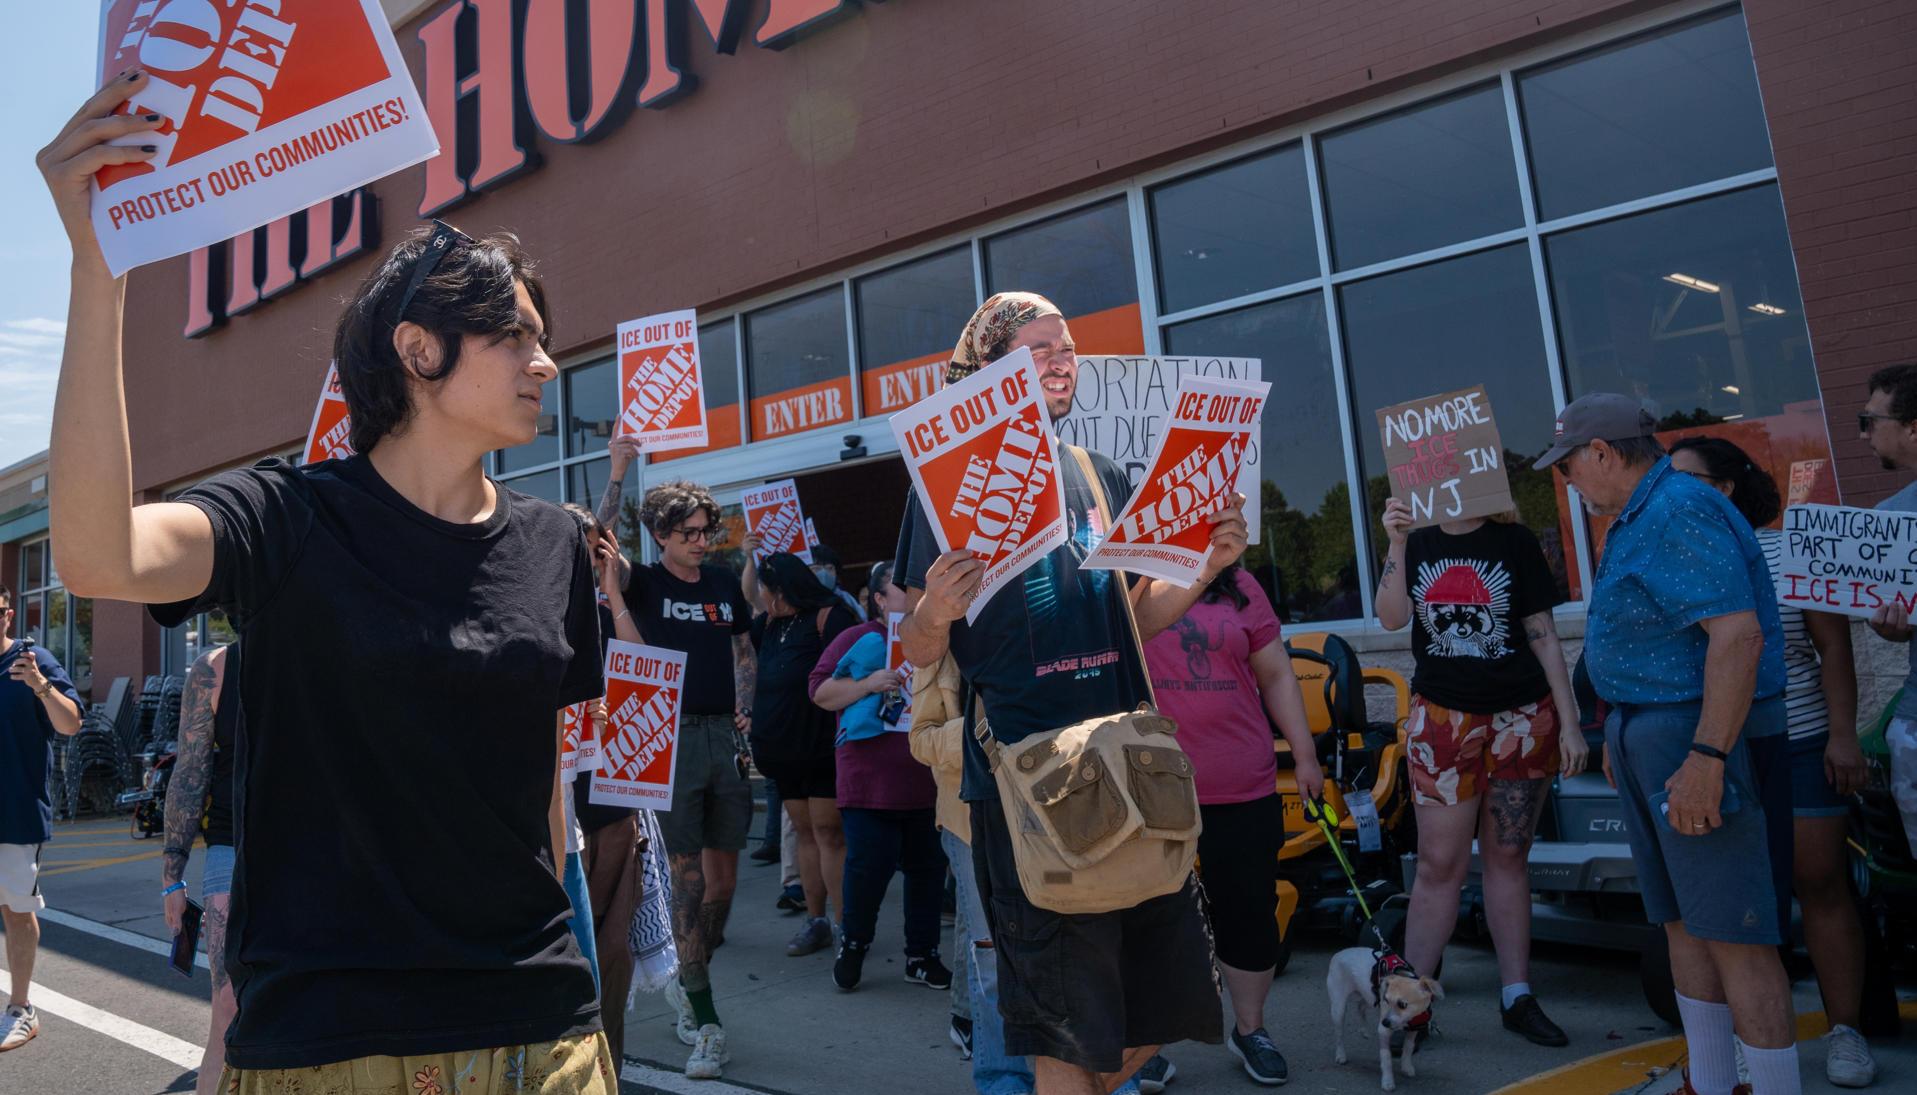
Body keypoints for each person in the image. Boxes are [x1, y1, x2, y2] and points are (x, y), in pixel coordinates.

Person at [40, 78, 614, 1091]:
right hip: (326, 1045)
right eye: (516, 336)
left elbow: (547, 795)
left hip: (540, 1033)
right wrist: (101, 269)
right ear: (419, 349)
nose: (547, 364)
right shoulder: (287, 519)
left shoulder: (556, 545)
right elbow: (96, 554)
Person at [897, 292, 1245, 1095]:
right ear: (990, 371)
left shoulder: (1099, 472)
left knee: (1161, 1005)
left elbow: (1134, 618)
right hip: (1025, 783)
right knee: (1057, 1021)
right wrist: (937, 608)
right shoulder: (947, 487)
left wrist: (1203, 567)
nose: (1062, 359)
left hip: (1124, 766)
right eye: (1039, 347)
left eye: (1068, 346)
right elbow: (918, 649)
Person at [1540, 393, 1799, 1095]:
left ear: (1600, 453)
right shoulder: (1642, 512)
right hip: (1649, 729)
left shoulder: (1676, 506)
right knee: (1683, 924)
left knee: (1735, 934)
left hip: (1692, 733)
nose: (1567, 484)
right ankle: (1712, 1083)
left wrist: (1706, 758)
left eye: (1566, 468)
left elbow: (1736, 635)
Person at [1669, 437, 1877, 1087]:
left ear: (1723, 488)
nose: (1668, 492)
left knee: (1820, 882)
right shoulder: (1680, 556)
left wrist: (1841, 735)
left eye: (1683, 480)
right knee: (1735, 901)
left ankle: (1845, 1032)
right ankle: (1742, 1040)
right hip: (1718, 751)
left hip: (1799, 739)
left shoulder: (1791, 551)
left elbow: (1831, 651)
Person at [1374, 501, 1587, 1049]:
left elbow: (1542, 634)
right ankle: (1408, 1009)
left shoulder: (1512, 541)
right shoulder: (1417, 542)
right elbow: (1392, 618)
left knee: (1509, 858)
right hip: (1443, 719)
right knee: (1438, 864)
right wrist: (1396, 543)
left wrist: (1569, 721)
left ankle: (1517, 995)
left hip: (1522, 718)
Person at [1141, 562, 1322, 1085]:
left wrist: (1305, 755)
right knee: (1148, 918)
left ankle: (1251, 1030)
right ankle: (1144, 1044)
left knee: (1249, 915)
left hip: (1243, 780)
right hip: (1153, 787)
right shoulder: (1126, 584)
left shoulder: (1240, 585)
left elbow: (1276, 674)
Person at [620, 480, 758, 1079]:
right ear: (659, 536)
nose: (703, 542)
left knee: (723, 884)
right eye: (690, 533)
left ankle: (688, 971)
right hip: (666, 736)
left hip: (722, 741)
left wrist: (745, 709)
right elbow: (597, 542)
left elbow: (744, 651)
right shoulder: (644, 584)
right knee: (687, 882)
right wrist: (620, 467)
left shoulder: (726, 585)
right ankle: (706, 1020)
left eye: (708, 531)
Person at [810, 562, 952, 993]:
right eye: (902, 592)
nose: (913, 600)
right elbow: (820, 693)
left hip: (925, 783)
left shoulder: (935, 640)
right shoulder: (857, 639)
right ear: (878, 599)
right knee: (867, 873)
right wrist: (869, 683)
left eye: (918, 591)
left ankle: (922, 957)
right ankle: (853, 945)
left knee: (927, 876)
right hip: (870, 784)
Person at [562, 503, 650, 1067]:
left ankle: (608, 1065)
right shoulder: (524, 606)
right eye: (578, 550)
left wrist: (613, 592)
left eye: (596, 552)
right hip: (554, 812)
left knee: (612, 951)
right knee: (569, 952)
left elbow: (642, 671)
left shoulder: (605, 612)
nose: (588, 562)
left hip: (613, 806)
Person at [749, 552, 859, 957]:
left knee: (830, 833)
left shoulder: (830, 617)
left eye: (765, 588)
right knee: (806, 835)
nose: (759, 596)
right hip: (783, 753)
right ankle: (816, 922)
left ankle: (847, 927)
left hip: (821, 748)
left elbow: (850, 672)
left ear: (781, 590)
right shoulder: (770, 624)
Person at [0, 584, 83, 1053]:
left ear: (8, 614)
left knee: (16, 910)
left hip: (15, 810)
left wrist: (40, 685)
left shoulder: (33, 661)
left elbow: (71, 723)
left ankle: (21, 1008)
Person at [158, 644, 238, 1091]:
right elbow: (190, 771)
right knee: (227, 1008)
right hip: (233, 847)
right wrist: (173, 874)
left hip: (312, 853)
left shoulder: (321, 650)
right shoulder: (216, 669)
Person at [1856, 364, 1917, 874]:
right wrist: (1889, 627)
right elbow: (1896, 620)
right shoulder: (1889, 519)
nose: (1864, 434)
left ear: (1913, 426)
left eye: (1870, 420)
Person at [809, 545, 867, 621]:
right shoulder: (799, 602)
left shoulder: (847, 600)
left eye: (829, 568)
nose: (824, 573)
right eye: (816, 569)